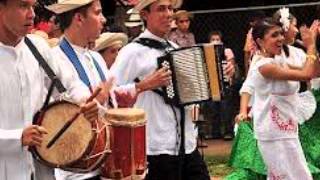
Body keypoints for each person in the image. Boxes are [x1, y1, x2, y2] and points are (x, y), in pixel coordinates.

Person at [0, 0, 100, 180]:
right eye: (23, 6)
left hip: (41, 170)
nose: (31, 14)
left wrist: (85, 101)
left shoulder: (37, 47)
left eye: (33, 7)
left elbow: (70, 83)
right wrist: (16, 137)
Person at [110, 0, 210, 179]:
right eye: (161, 9)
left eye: (170, 8)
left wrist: (217, 80)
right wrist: (144, 85)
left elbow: (191, 93)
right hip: (156, 145)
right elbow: (109, 94)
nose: (168, 14)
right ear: (145, 15)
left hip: (187, 142)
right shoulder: (132, 52)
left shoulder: (175, 49)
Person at [234, 16, 318, 179]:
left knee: (296, 175)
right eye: (274, 35)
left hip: (288, 128)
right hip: (271, 133)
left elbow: (314, 72)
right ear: (259, 41)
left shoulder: (278, 61)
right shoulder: (263, 65)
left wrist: (313, 48)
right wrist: (311, 46)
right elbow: (306, 74)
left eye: (280, 33)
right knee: (288, 176)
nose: (280, 38)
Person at [46, 0, 116, 179]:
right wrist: (98, 101)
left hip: (105, 165)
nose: (103, 19)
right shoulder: (54, 59)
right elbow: (69, 112)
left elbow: (109, 104)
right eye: (97, 13)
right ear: (78, 18)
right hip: (76, 173)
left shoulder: (96, 58)